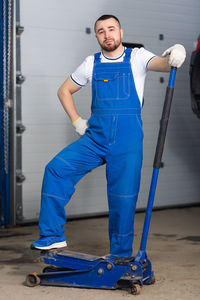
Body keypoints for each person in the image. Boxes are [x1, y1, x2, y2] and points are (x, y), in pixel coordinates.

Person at [31, 15, 186, 257]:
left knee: (122, 199)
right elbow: (64, 91)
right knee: (56, 169)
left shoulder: (137, 57)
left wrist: (176, 53)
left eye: (111, 29)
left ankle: (121, 256)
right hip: (95, 138)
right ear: (97, 36)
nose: (107, 35)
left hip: (127, 141)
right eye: (101, 31)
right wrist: (77, 121)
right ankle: (52, 236)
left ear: (121, 32)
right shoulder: (90, 63)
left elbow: (165, 64)